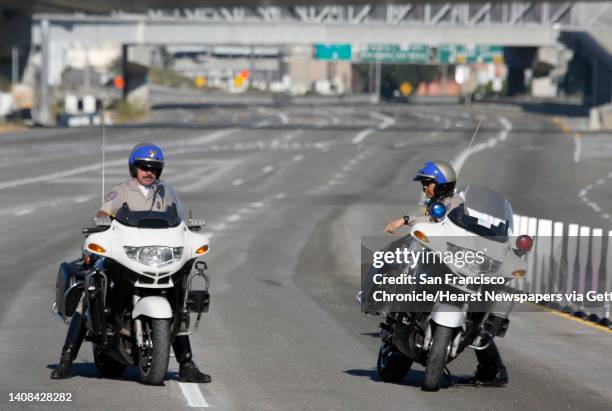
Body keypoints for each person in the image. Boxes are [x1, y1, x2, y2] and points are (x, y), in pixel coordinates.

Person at [51, 143, 211, 384]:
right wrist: (101, 225)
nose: (149, 173)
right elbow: (104, 214)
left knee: (177, 301)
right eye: (144, 168)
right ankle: (66, 360)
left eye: (154, 169)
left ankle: (186, 364)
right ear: (133, 168)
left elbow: (176, 220)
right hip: (127, 254)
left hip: (156, 255)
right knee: (90, 293)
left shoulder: (165, 193)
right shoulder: (122, 190)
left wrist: (187, 231)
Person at [383, 160, 509, 387]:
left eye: (428, 183)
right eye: (424, 184)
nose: (424, 188)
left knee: (479, 313)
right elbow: (431, 222)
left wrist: (405, 219)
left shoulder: (455, 203)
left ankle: (494, 368)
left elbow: (442, 222)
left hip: (457, 262)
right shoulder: (440, 202)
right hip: (444, 261)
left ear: (441, 184)